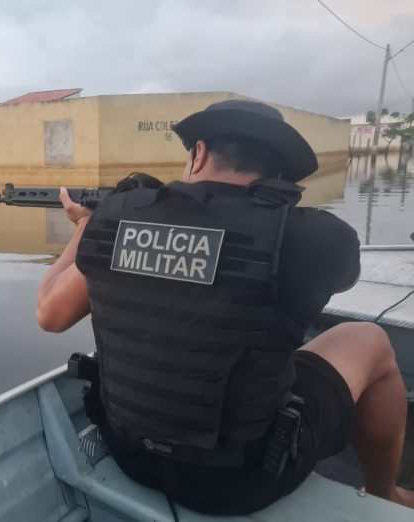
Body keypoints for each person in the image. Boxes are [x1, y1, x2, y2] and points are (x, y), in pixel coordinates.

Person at [36, 99, 414, 514]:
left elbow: (50, 316)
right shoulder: (313, 237)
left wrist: (84, 228)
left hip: (131, 456)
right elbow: (346, 280)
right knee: (369, 339)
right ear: (279, 172)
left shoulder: (114, 220)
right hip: (246, 478)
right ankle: (384, 493)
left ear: (197, 154)